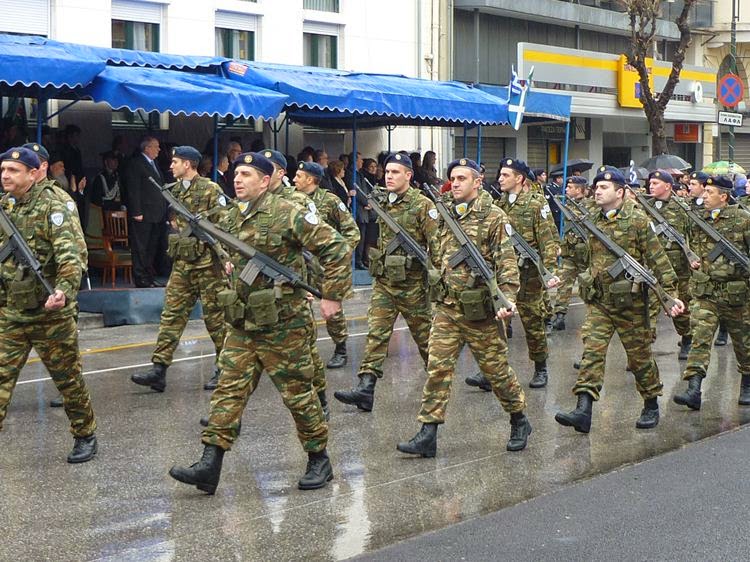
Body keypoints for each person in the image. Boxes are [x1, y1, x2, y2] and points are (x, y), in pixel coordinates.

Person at [168, 151, 351, 494]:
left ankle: (318, 458)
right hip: (243, 322)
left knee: (298, 394)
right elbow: (218, 240)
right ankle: (210, 463)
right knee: (228, 393)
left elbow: (337, 248)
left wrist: (332, 295)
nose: (238, 179)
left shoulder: (287, 213)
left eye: (247, 175)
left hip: (284, 324)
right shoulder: (232, 215)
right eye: (236, 174)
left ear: (266, 181)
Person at [397, 158, 531, 457]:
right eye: (452, 178)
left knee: (496, 372)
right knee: (437, 369)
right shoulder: (444, 213)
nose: (454, 183)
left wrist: (507, 299)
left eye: (461, 179)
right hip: (447, 308)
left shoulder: (494, 217)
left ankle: (519, 418)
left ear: (477, 182)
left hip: (480, 312)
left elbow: (507, 263)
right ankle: (428, 432)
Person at [555, 167, 684, 433]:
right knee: (592, 351)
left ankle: (650, 402)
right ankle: (583, 409)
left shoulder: (637, 220)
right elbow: (578, 254)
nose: (598, 192)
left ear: (621, 192)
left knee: (639, 358)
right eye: (597, 187)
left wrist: (670, 296)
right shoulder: (591, 219)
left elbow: (658, 259)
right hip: (600, 302)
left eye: (604, 188)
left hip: (631, 305)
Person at [0, 147, 97, 463]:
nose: (5, 176)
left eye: (13, 170)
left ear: (32, 173)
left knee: (68, 380)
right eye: (3, 170)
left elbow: (71, 256)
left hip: (49, 312)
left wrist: (64, 292)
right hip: (12, 310)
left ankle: (85, 434)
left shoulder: (54, 205)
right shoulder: (6, 206)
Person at [334, 153, 439, 412]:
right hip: (384, 282)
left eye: (395, 172)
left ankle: (439, 387)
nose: (389, 176)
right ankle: (365, 387)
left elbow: (437, 245)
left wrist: (437, 278)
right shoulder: (383, 200)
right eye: (387, 172)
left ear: (408, 175)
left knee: (426, 340)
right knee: (376, 334)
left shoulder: (423, 205)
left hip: (413, 285)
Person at [131, 146, 230, 393]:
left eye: (175, 162)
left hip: (209, 265)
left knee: (216, 318)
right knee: (171, 316)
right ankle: (159, 369)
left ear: (188, 164)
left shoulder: (210, 189)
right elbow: (174, 221)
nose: (171, 166)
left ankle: (225, 368)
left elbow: (224, 225)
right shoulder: (172, 191)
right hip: (184, 264)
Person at [467, 158, 560, 391]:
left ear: (519, 178)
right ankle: (491, 372)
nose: (500, 178)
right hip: (505, 275)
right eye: (500, 174)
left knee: (532, 323)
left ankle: (541, 368)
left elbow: (549, 241)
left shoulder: (537, 204)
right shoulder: (499, 205)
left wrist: (549, 273)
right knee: (497, 321)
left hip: (529, 276)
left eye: (505, 175)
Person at [673, 175, 750, 411]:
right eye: (704, 192)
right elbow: (684, 244)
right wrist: (691, 259)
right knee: (700, 339)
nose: (704, 196)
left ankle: (747, 384)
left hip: (736, 294)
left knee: (744, 344)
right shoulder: (697, 219)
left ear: (723, 196)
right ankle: (693, 388)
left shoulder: (743, 220)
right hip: (705, 293)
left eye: (709, 192)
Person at [293, 161, 360, 372]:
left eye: (299, 176)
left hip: (323, 265)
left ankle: (340, 347)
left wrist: (337, 258)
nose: (294, 179)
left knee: (332, 311)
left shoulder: (329, 200)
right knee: (298, 309)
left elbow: (352, 231)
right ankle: (304, 352)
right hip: (299, 264)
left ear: (311, 179)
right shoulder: (290, 200)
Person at [643, 170, 693, 359]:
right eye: (651, 182)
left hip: (678, 269)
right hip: (653, 268)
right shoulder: (644, 207)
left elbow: (692, 238)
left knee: (679, 309)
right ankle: (644, 352)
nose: (651, 186)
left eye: (656, 183)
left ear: (668, 186)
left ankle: (687, 337)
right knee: (649, 309)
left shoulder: (682, 208)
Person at [121, 136, 168, 288]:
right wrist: (136, 211)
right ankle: (140, 277)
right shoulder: (136, 163)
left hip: (156, 213)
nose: (159, 149)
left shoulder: (154, 164)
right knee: (140, 246)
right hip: (143, 213)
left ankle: (149, 276)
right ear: (147, 148)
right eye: (156, 146)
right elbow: (133, 189)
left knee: (151, 246)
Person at [551, 176, 590, 330]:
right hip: (570, 254)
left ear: (579, 190)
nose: (566, 189)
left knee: (587, 286)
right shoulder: (568, 205)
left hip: (585, 255)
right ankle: (560, 316)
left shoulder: (590, 207)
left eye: (570, 187)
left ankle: (593, 316)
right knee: (563, 284)